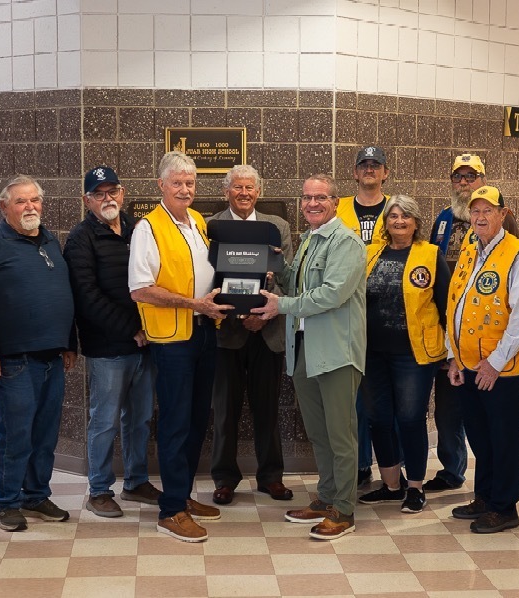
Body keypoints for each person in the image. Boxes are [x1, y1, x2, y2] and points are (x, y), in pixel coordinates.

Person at [252, 174, 366, 540]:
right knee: (319, 434)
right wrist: (274, 267)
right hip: (304, 350)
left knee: (341, 435)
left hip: (336, 352)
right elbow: (299, 283)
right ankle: (326, 497)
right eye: (306, 198)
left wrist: (280, 304)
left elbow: (332, 294)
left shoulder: (346, 241)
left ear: (335, 201)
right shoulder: (308, 240)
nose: (312, 204)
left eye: (320, 198)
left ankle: (344, 510)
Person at [129, 151, 232, 543]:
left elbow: (203, 274)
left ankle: (183, 496)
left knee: (195, 420)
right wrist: (194, 304)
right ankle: (171, 510)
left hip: (205, 330)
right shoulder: (147, 229)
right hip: (173, 339)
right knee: (174, 422)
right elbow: (140, 289)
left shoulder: (197, 222)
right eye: (177, 183)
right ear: (161, 186)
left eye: (190, 183)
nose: (185, 189)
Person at [0, 175, 78, 532]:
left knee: (46, 434)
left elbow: (64, 293)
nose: (30, 207)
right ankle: (6, 501)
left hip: (52, 356)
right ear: (4, 207)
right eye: (21, 201)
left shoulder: (49, 239)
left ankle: (35, 494)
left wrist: (69, 342)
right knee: (16, 434)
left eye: (35, 200)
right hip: (13, 360)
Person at [423, 153, 519, 494]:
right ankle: (454, 471)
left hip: (491, 343)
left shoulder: (504, 224)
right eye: (458, 177)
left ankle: (494, 493)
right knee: (449, 409)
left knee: (488, 422)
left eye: (470, 176)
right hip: (449, 332)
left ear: (484, 180)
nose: (464, 183)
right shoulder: (442, 219)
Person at [63, 166, 159, 518]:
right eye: (99, 193)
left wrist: (148, 329)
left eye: (113, 191)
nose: (108, 198)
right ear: (87, 200)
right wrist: (131, 329)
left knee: (140, 418)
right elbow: (87, 296)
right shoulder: (80, 238)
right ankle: (99, 489)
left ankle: (135, 482)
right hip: (109, 348)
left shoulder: (139, 229)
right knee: (104, 419)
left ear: (123, 193)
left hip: (147, 343)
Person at [445, 185, 519, 534]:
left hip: (503, 369)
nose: (480, 217)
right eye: (475, 211)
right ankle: (484, 496)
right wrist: (453, 357)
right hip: (469, 364)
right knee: (480, 437)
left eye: (488, 210)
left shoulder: (517, 255)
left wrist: (495, 362)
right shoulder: (471, 250)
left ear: (503, 214)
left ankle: (505, 506)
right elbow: (455, 304)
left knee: (504, 438)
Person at [356, 195, 450, 515]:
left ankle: (415, 488)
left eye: (405, 216)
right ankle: (391, 486)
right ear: (385, 222)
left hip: (414, 354)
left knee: (410, 419)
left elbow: (445, 305)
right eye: (393, 216)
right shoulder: (369, 253)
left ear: (416, 222)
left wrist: (450, 352)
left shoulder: (430, 254)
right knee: (378, 419)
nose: (399, 221)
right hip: (372, 353)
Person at [208, 165, 294, 505]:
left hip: (267, 330)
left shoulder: (278, 227)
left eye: (250, 188)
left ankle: (271, 477)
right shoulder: (211, 226)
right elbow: (207, 276)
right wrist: (236, 311)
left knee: (268, 409)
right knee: (225, 410)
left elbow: (286, 276)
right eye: (238, 187)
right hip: (226, 332)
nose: (244, 193)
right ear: (227, 191)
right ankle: (224, 478)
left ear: (258, 192)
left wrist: (261, 315)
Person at [337, 145, 390, 486]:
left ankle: (392, 469)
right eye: (364, 165)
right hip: (345, 315)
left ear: (386, 173)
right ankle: (357, 467)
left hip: (386, 315)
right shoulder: (338, 207)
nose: (369, 169)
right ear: (354, 172)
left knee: (384, 400)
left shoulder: (398, 209)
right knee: (351, 398)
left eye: (376, 165)